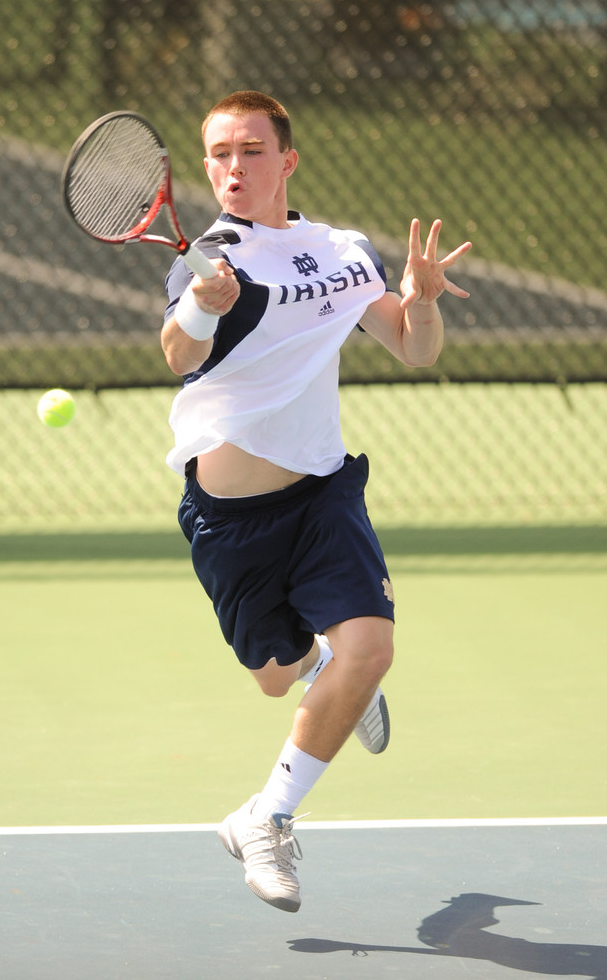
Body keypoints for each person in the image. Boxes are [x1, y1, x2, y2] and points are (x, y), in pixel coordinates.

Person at [160, 90, 471, 913]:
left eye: (251, 150)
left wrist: (425, 299)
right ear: (205, 167)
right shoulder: (211, 260)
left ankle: (266, 817)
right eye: (220, 153)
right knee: (275, 677)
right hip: (231, 520)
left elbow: (411, 346)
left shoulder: (341, 250)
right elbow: (175, 350)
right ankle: (322, 669)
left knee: (373, 646)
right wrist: (203, 302)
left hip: (325, 492)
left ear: (286, 160)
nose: (233, 166)